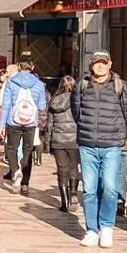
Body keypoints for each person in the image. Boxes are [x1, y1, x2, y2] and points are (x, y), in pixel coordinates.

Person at [70, 51, 127, 248]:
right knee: (89, 190)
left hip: (112, 145)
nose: (100, 66)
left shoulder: (121, 86)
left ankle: (107, 226)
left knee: (110, 188)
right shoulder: (81, 86)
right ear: (91, 64)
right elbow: (76, 111)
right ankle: (91, 230)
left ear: (110, 64)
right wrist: (86, 131)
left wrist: (119, 135)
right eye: (97, 63)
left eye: (103, 63)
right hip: (88, 144)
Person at [0, 61, 46, 193]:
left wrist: (1, 124)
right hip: (30, 122)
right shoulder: (39, 84)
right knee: (28, 151)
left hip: (13, 121)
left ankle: (15, 171)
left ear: (19, 67)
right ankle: (25, 183)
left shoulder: (11, 82)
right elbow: (42, 106)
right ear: (33, 67)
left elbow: (6, 105)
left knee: (12, 149)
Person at [45, 74, 80, 213]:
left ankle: (64, 202)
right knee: (73, 168)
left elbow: (49, 125)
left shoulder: (54, 101)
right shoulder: (78, 100)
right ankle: (73, 193)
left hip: (58, 140)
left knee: (62, 170)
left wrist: (47, 143)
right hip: (75, 140)